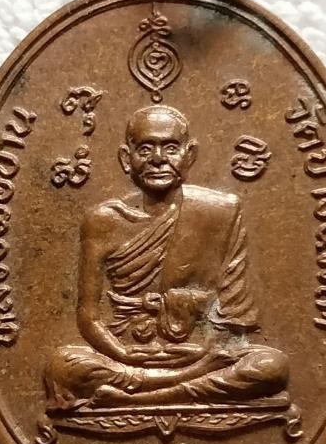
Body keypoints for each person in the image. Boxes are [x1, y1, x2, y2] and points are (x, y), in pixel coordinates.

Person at [43, 104, 288, 410]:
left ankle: (143, 396)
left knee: (271, 366)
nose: (158, 159)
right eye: (145, 149)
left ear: (189, 155)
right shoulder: (103, 220)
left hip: (199, 353)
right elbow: (88, 317)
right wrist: (122, 353)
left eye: (170, 148)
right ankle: (181, 386)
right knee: (62, 365)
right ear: (126, 158)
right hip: (126, 352)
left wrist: (203, 352)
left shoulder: (220, 212)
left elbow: (234, 315)